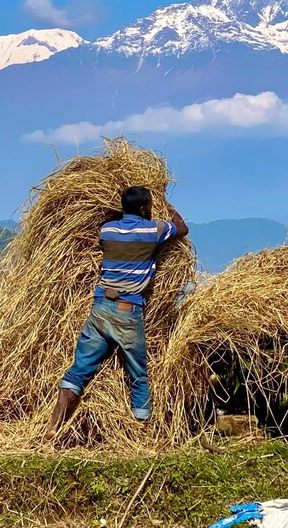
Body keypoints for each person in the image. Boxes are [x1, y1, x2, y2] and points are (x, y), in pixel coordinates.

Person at [45, 186, 189, 440]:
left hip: (100, 307)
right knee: (138, 374)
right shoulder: (152, 229)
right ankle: (141, 435)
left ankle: (53, 427)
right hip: (127, 310)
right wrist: (168, 207)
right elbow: (182, 228)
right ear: (145, 208)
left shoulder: (107, 230)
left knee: (79, 370)